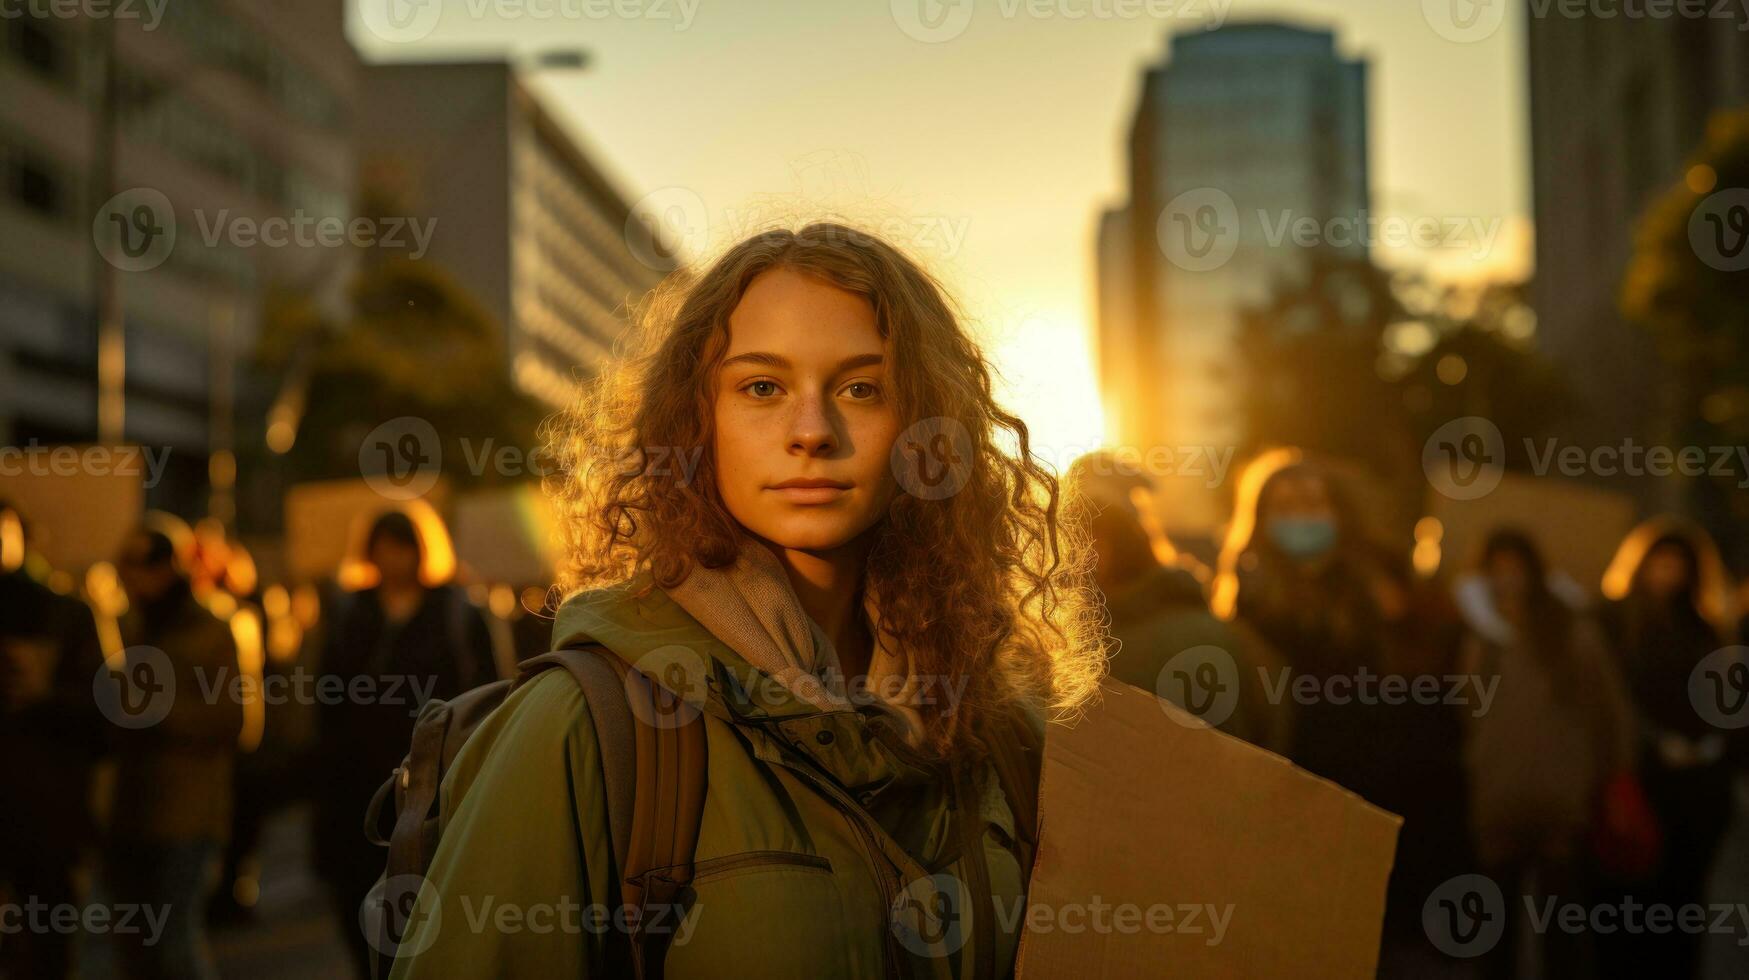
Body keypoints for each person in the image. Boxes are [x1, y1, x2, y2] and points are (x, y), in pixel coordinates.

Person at [386, 222, 1104, 977]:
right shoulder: (586, 728)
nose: (811, 431)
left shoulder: (1005, 728)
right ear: (697, 421)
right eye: (762, 387)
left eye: (862, 388)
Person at [310, 508, 496, 978]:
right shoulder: (350, 611)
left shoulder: (456, 611)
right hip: (355, 791)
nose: (393, 560)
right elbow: (325, 704)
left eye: (403, 547)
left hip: (433, 786)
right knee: (357, 901)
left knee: (426, 903)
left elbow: (490, 698)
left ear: (422, 549)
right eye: (383, 548)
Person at [1454, 528, 1635, 980]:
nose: (1507, 580)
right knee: (1495, 926)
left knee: (1561, 927)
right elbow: (1468, 713)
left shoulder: (1574, 633)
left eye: (1515, 570)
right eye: (1497, 571)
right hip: (1498, 802)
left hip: (1562, 803)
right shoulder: (1480, 636)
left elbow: (1609, 711)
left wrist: (1615, 777)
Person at [1066, 451, 1291, 754]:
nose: (1088, 550)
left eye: (1100, 532)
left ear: (1127, 540)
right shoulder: (1054, 645)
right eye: (1074, 532)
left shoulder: (1200, 638)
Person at [1594, 518, 1739, 980]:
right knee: (1627, 904)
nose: (1666, 573)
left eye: (1677, 564)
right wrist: (1655, 745)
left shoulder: (1705, 632)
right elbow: (1609, 700)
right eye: (1659, 561)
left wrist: (1710, 747)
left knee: (1681, 907)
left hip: (1696, 793)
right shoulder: (1615, 622)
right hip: (1636, 782)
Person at [103, 523, 244, 980]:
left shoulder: (212, 629)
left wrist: (158, 711)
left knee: (176, 942)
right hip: (128, 809)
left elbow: (231, 719)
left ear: (167, 569)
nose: (132, 578)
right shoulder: (120, 626)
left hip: (190, 811)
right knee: (131, 948)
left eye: (142, 566)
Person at [0, 501, 107, 980]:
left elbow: (106, 714)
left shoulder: (65, 614)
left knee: (46, 944)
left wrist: (47, 695)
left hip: (47, 811)